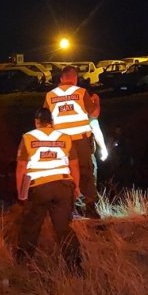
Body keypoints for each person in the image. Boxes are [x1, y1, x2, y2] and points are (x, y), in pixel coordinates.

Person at [15, 107, 83, 273]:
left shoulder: (28, 137)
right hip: (62, 186)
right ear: (52, 122)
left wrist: (21, 193)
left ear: (37, 122)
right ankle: (75, 267)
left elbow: (21, 168)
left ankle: (22, 264)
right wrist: (77, 187)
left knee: (31, 227)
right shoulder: (65, 138)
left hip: (39, 188)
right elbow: (74, 165)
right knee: (63, 228)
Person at [43, 66, 100, 219]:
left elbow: (45, 121)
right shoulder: (80, 92)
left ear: (61, 78)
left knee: (64, 176)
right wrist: (97, 101)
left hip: (61, 144)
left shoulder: (50, 95)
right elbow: (94, 114)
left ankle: (67, 210)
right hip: (80, 141)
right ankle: (90, 209)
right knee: (86, 173)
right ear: (75, 78)